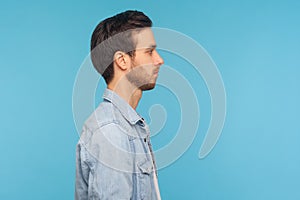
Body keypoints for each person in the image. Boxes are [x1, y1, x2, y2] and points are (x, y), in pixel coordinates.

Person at [75, 10, 164, 200]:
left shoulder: (130, 127)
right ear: (122, 60)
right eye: (149, 52)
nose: (159, 60)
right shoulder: (112, 132)